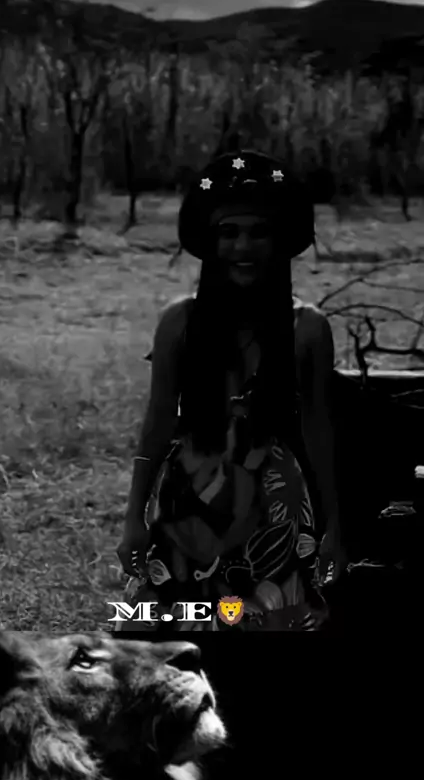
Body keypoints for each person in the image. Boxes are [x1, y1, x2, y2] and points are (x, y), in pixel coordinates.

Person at [115, 149, 348, 631]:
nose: (244, 246)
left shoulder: (307, 328)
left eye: (259, 232)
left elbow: (319, 429)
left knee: (267, 616)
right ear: (210, 241)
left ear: (279, 240)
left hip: (276, 501)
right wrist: (134, 517)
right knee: (175, 622)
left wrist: (334, 527)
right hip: (187, 497)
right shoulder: (179, 321)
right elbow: (157, 422)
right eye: (229, 232)